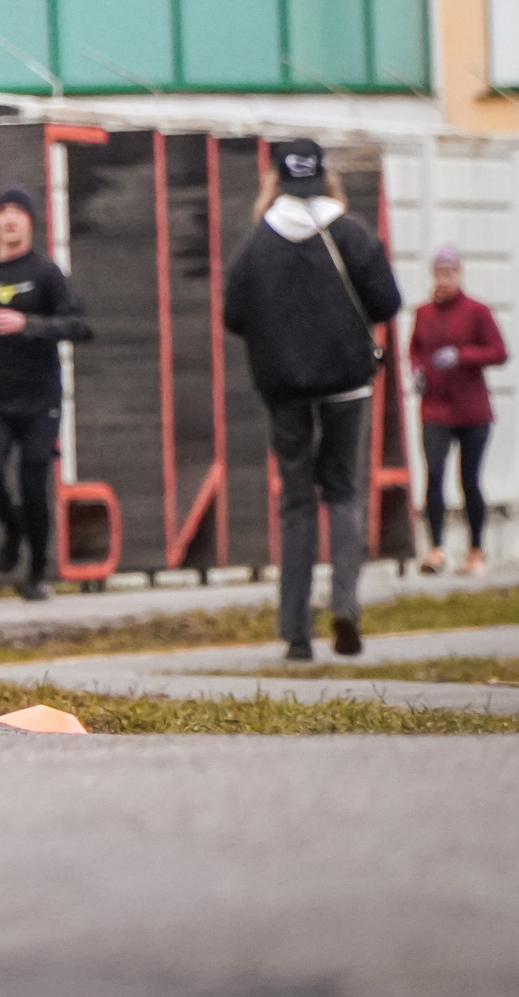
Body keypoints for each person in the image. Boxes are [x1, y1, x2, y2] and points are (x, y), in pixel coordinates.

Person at [222, 139, 402, 660]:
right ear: (325, 179)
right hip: (347, 385)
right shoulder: (351, 233)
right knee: (343, 493)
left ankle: (296, 633)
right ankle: (345, 606)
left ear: (275, 181)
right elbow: (387, 302)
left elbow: (234, 316)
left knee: (297, 502)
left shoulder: (258, 243)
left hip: (286, 391)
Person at [0, 186, 92, 601]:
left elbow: (79, 326)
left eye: (19, 212)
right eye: (4, 212)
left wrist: (27, 325)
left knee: (34, 483)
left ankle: (37, 572)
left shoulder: (46, 273)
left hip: (39, 397)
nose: (10, 219)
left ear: (30, 222)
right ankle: (12, 527)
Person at [409, 245, 506, 577]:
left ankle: (476, 549)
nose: (444, 280)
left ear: (460, 274)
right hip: (435, 408)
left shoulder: (477, 311)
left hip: (472, 411)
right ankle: (435, 548)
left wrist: (462, 356)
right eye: (439, 273)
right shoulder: (423, 313)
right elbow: (415, 349)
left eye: (450, 273)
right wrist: (417, 370)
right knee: (434, 474)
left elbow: (498, 352)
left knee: (469, 480)